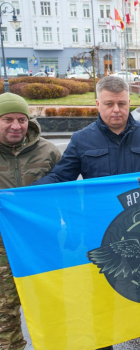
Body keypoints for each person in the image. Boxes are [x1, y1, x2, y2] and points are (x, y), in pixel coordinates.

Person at [32, 76, 140, 350]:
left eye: (121, 103)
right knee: (102, 285)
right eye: (109, 104)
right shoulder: (82, 139)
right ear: (98, 103)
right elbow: (62, 176)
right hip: (100, 227)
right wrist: (22, 194)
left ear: (130, 101)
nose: (116, 110)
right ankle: (104, 338)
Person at [0, 93, 61, 350]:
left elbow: (64, 193)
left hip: (41, 245)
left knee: (51, 307)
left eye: (21, 119)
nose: (16, 125)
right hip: (2, 249)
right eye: (7, 119)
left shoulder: (49, 151)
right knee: (5, 313)